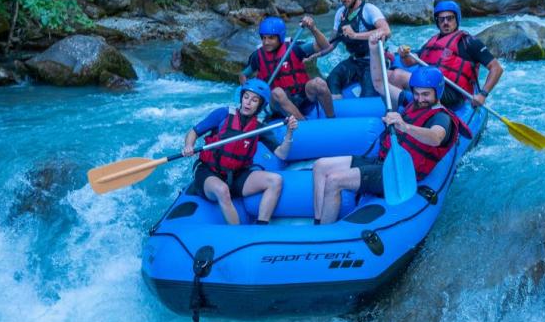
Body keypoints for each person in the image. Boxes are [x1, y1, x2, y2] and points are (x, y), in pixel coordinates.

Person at [311, 67, 471, 224]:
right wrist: (374, 47)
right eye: (416, 93)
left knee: (334, 180)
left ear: (438, 92)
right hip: (385, 162)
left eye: (426, 94)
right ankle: (318, 222)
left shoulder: (442, 118)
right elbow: (379, 83)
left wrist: (405, 126)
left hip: (401, 172)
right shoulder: (414, 104)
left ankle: (322, 234)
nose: (420, 99)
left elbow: (436, 137)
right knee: (320, 165)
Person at [182, 79, 298, 225]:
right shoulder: (222, 114)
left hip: (237, 175)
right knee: (222, 190)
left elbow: (282, 154)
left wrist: (289, 133)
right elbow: (193, 132)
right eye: (246, 97)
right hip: (209, 172)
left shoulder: (259, 127)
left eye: (254, 100)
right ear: (241, 97)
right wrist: (189, 145)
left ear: (260, 105)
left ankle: (261, 226)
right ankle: (239, 234)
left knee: (276, 181)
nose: (248, 102)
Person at [369, 0, 503, 108]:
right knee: (388, 74)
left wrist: (483, 94)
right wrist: (404, 55)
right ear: (437, 22)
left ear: (457, 19)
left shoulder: (469, 42)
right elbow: (410, 62)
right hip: (430, 87)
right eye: (441, 19)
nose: (445, 22)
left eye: (449, 18)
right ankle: (400, 110)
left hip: (453, 93)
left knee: (397, 75)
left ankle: (398, 112)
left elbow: (496, 68)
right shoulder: (432, 41)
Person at [242, 16, 333, 119]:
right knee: (277, 92)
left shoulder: (293, 48)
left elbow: (326, 46)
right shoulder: (258, 56)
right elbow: (243, 75)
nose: (266, 42)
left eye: (271, 38)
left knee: (319, 83)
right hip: (279, 105)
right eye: (263, 37)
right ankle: (304, 124)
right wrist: (248, 93)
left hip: (303, 97)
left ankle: (331, 119)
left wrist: (313, 29)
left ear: (280, 37)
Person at [323, 0, 390, 99]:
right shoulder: (340, 14)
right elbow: (332, 42)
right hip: (354, 60)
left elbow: (386, 30)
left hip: (373, 62)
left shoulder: (369, 10)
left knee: (369, 94)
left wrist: (355, 35)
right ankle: (337, 109)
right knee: (332, 80)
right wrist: (316, 54)